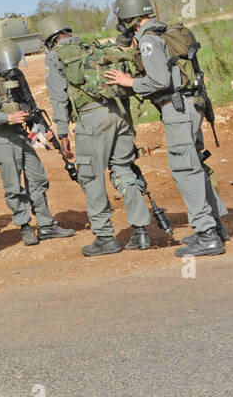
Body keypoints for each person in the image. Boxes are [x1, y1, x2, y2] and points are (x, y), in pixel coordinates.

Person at [103, 0, 228, 257]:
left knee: (185, 169)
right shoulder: (163, 32)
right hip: (192, 105)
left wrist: (129, 83)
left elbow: (159, 81)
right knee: (194, 165)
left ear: (130, 18)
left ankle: (206, 235)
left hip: (177, 108)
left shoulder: (148, 40)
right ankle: (215, 228)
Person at [40, 14, 154, 256]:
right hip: (120, 115)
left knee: (91, 177)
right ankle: (141, 231)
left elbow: (59, 97)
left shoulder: (55, 56)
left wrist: (62, 132)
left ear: (49, 40)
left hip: (93, 120)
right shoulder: (93, 46)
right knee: (123, 169)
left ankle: (105, 237)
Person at [0, 39, 74, 246]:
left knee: (38, 179)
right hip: (2, 137)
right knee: (13, 186)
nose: (11, 68)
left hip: (22, 135)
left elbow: (30, 107)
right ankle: (24, 225)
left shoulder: (17, 75)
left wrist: (43, 133)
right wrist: (8, 118)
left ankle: (46, 225)